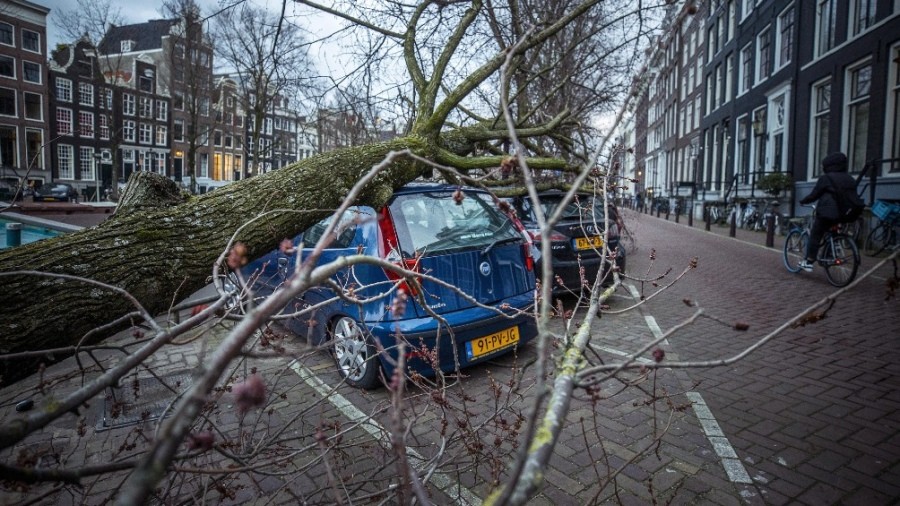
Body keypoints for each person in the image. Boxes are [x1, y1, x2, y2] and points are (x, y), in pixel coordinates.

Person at [797, 152, 856, 272]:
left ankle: (809, 261)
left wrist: (803, 201)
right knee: (833, 230)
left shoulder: (826, 178)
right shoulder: (850, 178)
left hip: (827, 212)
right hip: (846, 213)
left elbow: (815, 194)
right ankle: (829, 253)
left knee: (816, 234)